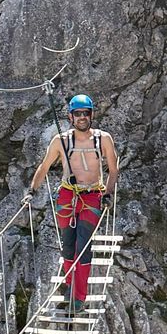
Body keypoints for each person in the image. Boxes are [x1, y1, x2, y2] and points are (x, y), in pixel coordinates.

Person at [29, 94, 118, 312]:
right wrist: (31, 191)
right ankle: (69, 287)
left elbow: (114, 170)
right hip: (68, 196)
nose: (82, 117)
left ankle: (79, 298)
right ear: (70, 116)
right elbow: (45, 166)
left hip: (92, 195)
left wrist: (107, 192)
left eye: (85, 113)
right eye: (77, 114)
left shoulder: (103, 139)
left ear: (92, 115)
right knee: (68, 246)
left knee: (83, 246)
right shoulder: (61, 141)